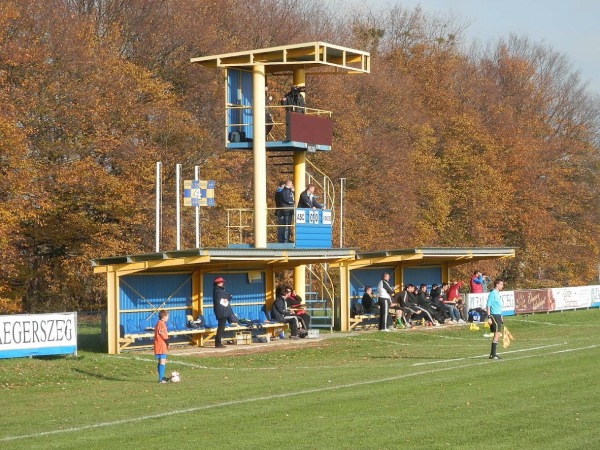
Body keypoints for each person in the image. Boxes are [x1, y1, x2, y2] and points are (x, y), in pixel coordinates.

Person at [213, 276, 238, 348]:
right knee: (221, 328)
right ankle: (218, 343)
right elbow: (229, 295)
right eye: (221, 282)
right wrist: (228, 297)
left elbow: (228, 296)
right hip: (221, 312)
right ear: (218, 283)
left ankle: (218, 343)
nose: (223, 283)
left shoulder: (219, 290)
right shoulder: (218, 291)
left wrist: (227, 298)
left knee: (222, 327)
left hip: (223, 311)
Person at [486, 279, 505, 360]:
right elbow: (488, 306)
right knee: (497, 334)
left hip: (498, 315)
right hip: (493, 316)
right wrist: (489, 317)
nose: (502, 286)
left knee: (497, 335)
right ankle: (493, 354)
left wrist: (501, 315)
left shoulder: (497, 294)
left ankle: (493, 354)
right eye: (501, 284)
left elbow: (498, 306)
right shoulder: (492, 294)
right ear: (497, 285)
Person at [153, 310, 170, 383]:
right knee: (163, 361)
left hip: (158, 343)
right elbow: (163, 334)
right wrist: (167, 342)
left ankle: (161, 377)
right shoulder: (162, 324)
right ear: (164, 317)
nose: (168, 318)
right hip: (161, 344)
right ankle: (161, 379)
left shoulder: (158, 323)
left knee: (160, 360)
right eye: (167, 316)